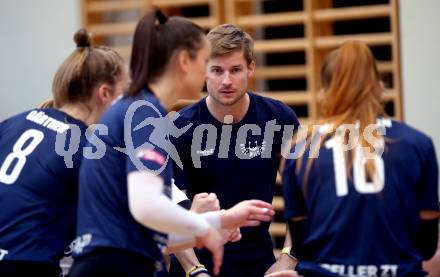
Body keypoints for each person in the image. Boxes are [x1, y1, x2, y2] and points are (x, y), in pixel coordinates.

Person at [69, 10, 274, 277]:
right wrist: (217, 221)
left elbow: (149, 230)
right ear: (184, 61)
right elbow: (147, 207)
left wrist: (211, 228)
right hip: (111, 266)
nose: (207, 74)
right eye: (204, 62)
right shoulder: (143, 112)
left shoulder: (140, 107)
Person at [275, 40, 439, 277]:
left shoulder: (301, 150)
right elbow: (426, 246)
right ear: (380, 87)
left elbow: (301, 246)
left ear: (325, 92)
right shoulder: (418, 144)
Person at [168, 24, 300, 277]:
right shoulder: (180, 127)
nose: (226, 81)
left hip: (259, 262)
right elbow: (170, 210)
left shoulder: (279, 118)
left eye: (235, 70)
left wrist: (288, 258)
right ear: (204, 71)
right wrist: (195, 270)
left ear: (250, 68)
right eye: (216, 70)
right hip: (196, 262)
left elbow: (303, 193)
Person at [0, 29, 129, 276]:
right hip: (23, 264)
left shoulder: (13, 122)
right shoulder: (84, 151)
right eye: (124, 94)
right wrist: (200, 223)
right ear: (105, 93)